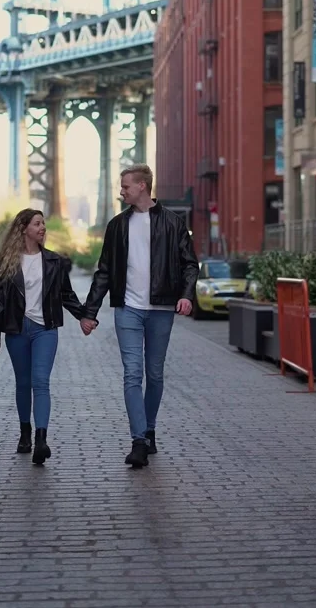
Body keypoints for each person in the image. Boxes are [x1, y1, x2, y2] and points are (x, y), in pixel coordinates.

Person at [81, 164, 199, 468]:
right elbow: (104, 271)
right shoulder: (117, 226)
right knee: (132, 374)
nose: (121, 192)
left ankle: (149, 427)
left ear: (142, 187)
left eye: (125, 187)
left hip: (161, 310)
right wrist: (90, 312)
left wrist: (185, 295)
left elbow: (190, 264)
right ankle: (138, 440)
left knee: (155, 374)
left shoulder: (173, 223)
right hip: (128, 309)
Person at [0, 208, 96, 465]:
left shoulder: (54, 261)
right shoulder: (8, 263)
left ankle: (41, 440)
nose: (43, 227)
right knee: (23, 383)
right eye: (37, 223)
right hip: (17, 330)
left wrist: (84, 316)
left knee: (41, 382)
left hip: (45, 329)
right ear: (24, 228)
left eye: (43, 223)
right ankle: (25, 433)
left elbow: (66, 294)